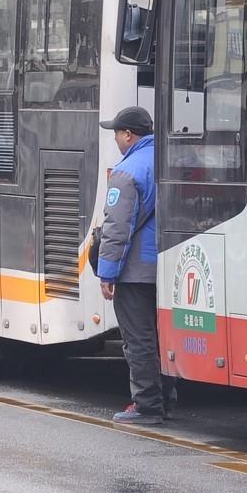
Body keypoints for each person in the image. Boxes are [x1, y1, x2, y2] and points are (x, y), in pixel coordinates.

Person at [96, 105, 175, 425]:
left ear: (128, 135)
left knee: (138, 339)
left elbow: (117, 228)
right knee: (160, 336)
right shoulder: (166, 159)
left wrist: (107, 273)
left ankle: (147, 405)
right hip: (166, 265)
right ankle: (165, 398)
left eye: (116, 132)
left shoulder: (126, 173)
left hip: (135, 271)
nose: (115, 138)